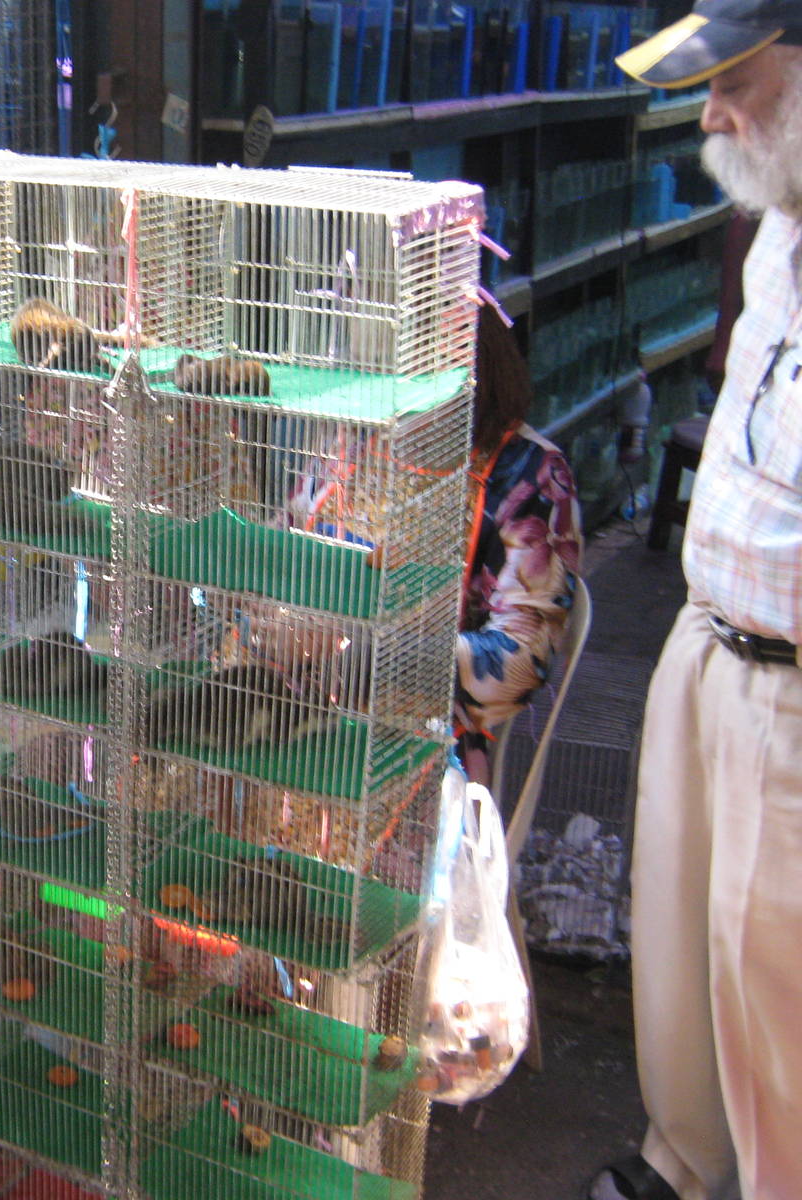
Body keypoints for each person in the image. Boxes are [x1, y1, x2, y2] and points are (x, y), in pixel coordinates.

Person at [594, 7, 802, 1199]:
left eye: (735, 82)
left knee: (773, 986)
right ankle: (681, 1162)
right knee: (677, 944)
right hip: (707, 635)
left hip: (789, 680)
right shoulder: (773, 227)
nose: (709, 115)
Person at [453, 307, 584, 784]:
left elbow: (520, 660)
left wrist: (375, 653)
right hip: (299, 696)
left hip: (426, 727)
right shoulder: (352, 440)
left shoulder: (532, 473)